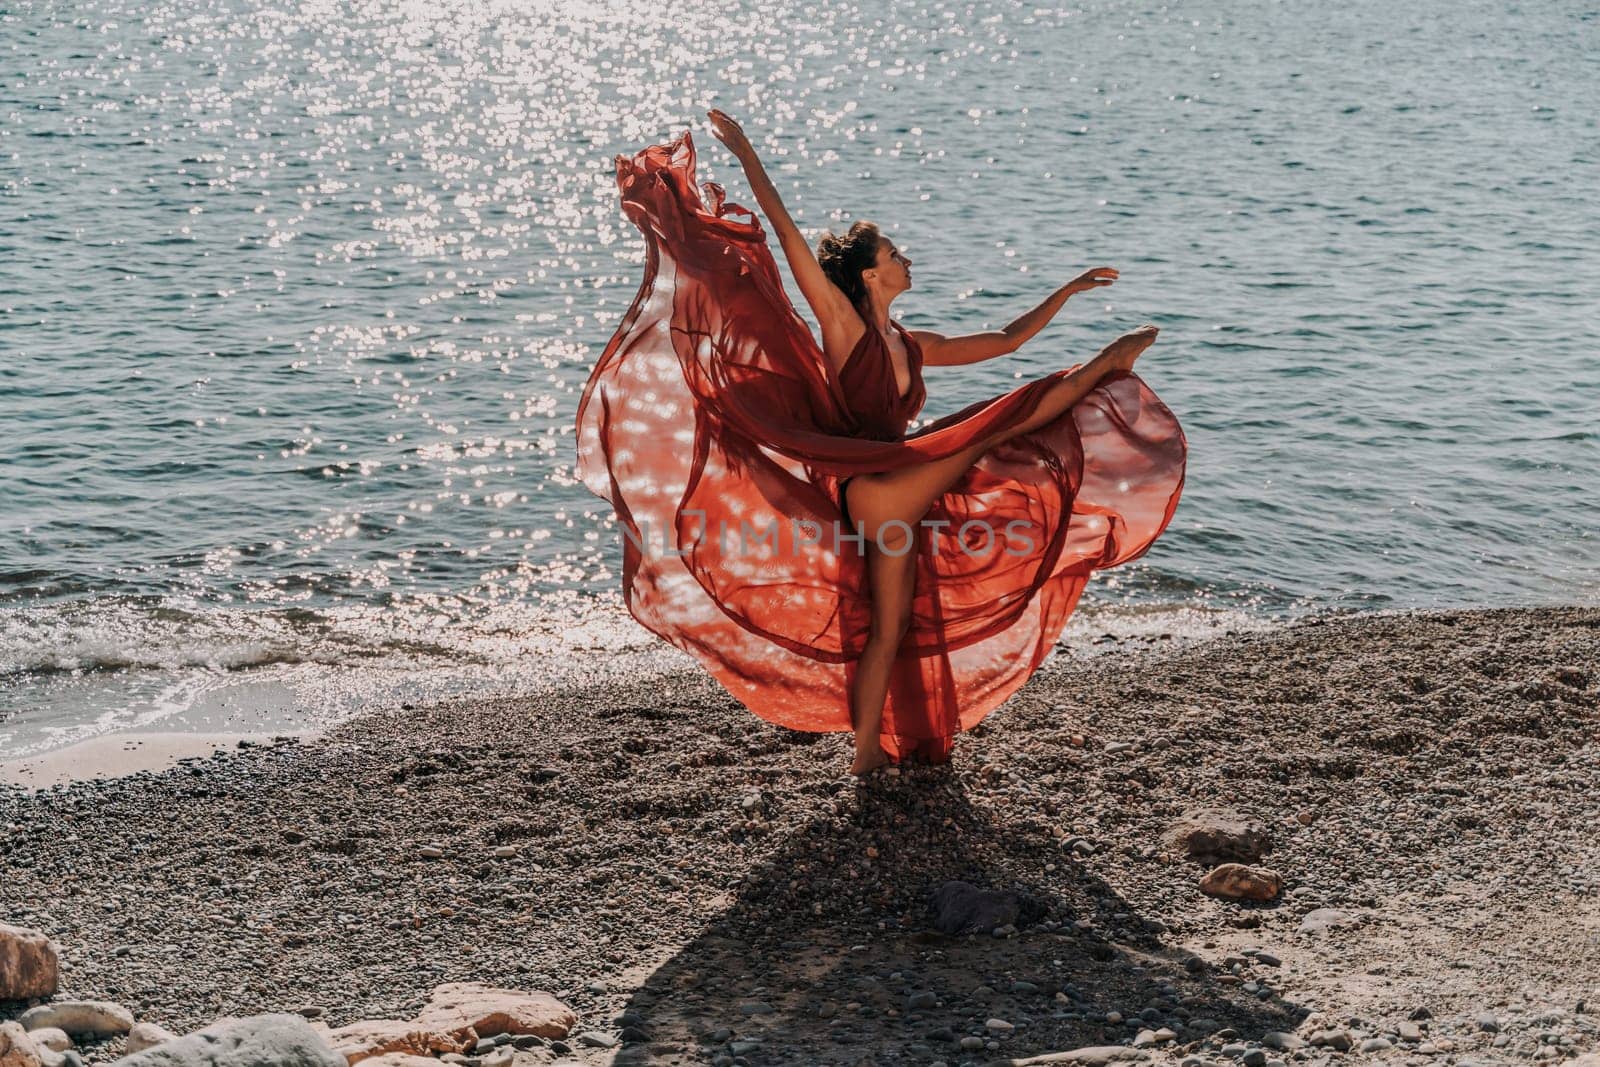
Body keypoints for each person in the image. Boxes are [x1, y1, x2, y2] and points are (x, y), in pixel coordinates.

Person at [576, 109, 1186, 776]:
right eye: (895, 254)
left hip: (897, 487)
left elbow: (1007, 341)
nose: (907, 260)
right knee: (996, 428)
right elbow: (786, 237)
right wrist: (749, 155)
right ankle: (1104, 367)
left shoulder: (909, 345)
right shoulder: (844, 326)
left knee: (894, 628)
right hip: (865, 487)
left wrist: (1065, 291)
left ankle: (869, 755)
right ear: (869, 274)